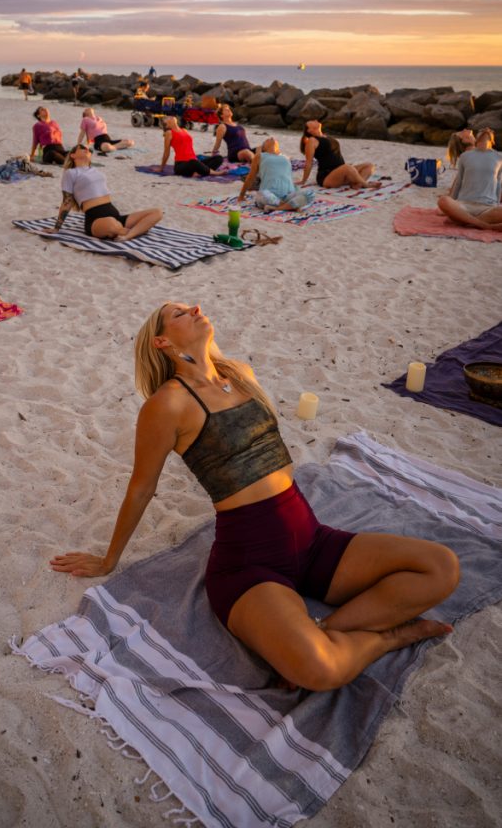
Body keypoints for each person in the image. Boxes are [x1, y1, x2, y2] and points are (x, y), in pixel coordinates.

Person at [51, 301, 459, 692]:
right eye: (178, 313)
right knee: (320, 670)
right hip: (249, 566)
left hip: (312, 539)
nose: (194, 310)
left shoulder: (240, 374)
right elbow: (142, 487)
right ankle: (389, 639)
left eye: (191, 306)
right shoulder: (168, 404)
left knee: (441, 567)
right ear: (162, 342)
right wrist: (109, 559)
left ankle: (328, 632)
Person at [50, 144, 162, 241]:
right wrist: (57, 227)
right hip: (95, 219)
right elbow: (67, 201)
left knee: (157, 212)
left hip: (115, 215)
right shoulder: (71, 173)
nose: (87, 149)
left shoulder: (95, 170)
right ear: (72, 155)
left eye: (89, 150)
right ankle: (134, 231)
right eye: (82, 148)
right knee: (111, 225)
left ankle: (128, 235)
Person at [437, 128, 502, 230]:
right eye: (462, 133)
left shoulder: (499, 157)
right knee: (443, 200)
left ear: (492, 140)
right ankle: (484, 225)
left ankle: (465, 221)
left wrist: (497, 206)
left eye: (488, 130)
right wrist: (451, 201)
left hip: (488, 207)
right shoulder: (465, 156)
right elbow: (458, 181)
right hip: (465, 205)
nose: (486, 130)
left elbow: (498, 183)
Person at [299, 120, 380, 189]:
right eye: (311, 121)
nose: (315, 120)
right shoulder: (312, 141)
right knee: (347, 167)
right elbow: (309, 162)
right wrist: (303, 180)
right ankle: (366, 185)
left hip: (342, 173)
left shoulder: (327, 137)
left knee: (369, 166)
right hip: (327, 176)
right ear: (309, 130)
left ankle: (357, 184)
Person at [239, 138, 315, 211]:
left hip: (288, 195)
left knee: (310, 193)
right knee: (262, 193)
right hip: (270, 194)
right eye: (267, 140)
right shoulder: (260, 156)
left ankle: (278, 208)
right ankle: (290, 206)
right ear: (264, 147)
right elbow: (250, 177)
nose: (271, 138)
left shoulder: (285, 157)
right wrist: (241, 195)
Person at [156, 117, 223, 177]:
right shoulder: (169, 133)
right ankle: (212, 172)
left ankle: (199, 172)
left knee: (218, 158)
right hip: (181, 165)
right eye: (168, 118)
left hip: (194, 161)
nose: (171, 117)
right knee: (193, 162)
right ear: (167, 124)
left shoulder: (184, 130)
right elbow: (166, 153)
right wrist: (161, 168)